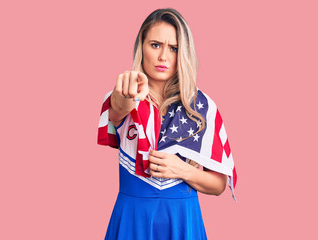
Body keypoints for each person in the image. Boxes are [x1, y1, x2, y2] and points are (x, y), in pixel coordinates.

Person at [98, 8, 237, 240]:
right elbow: (118, 108)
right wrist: (125, 92)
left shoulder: (202, 107)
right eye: (155, 45)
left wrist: (183, 170)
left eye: (174, 48)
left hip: (183, 219)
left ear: (183, 53)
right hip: (133, 218)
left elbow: (219, 184)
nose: (164, 56)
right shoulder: (127, 96)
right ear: (141, 47)